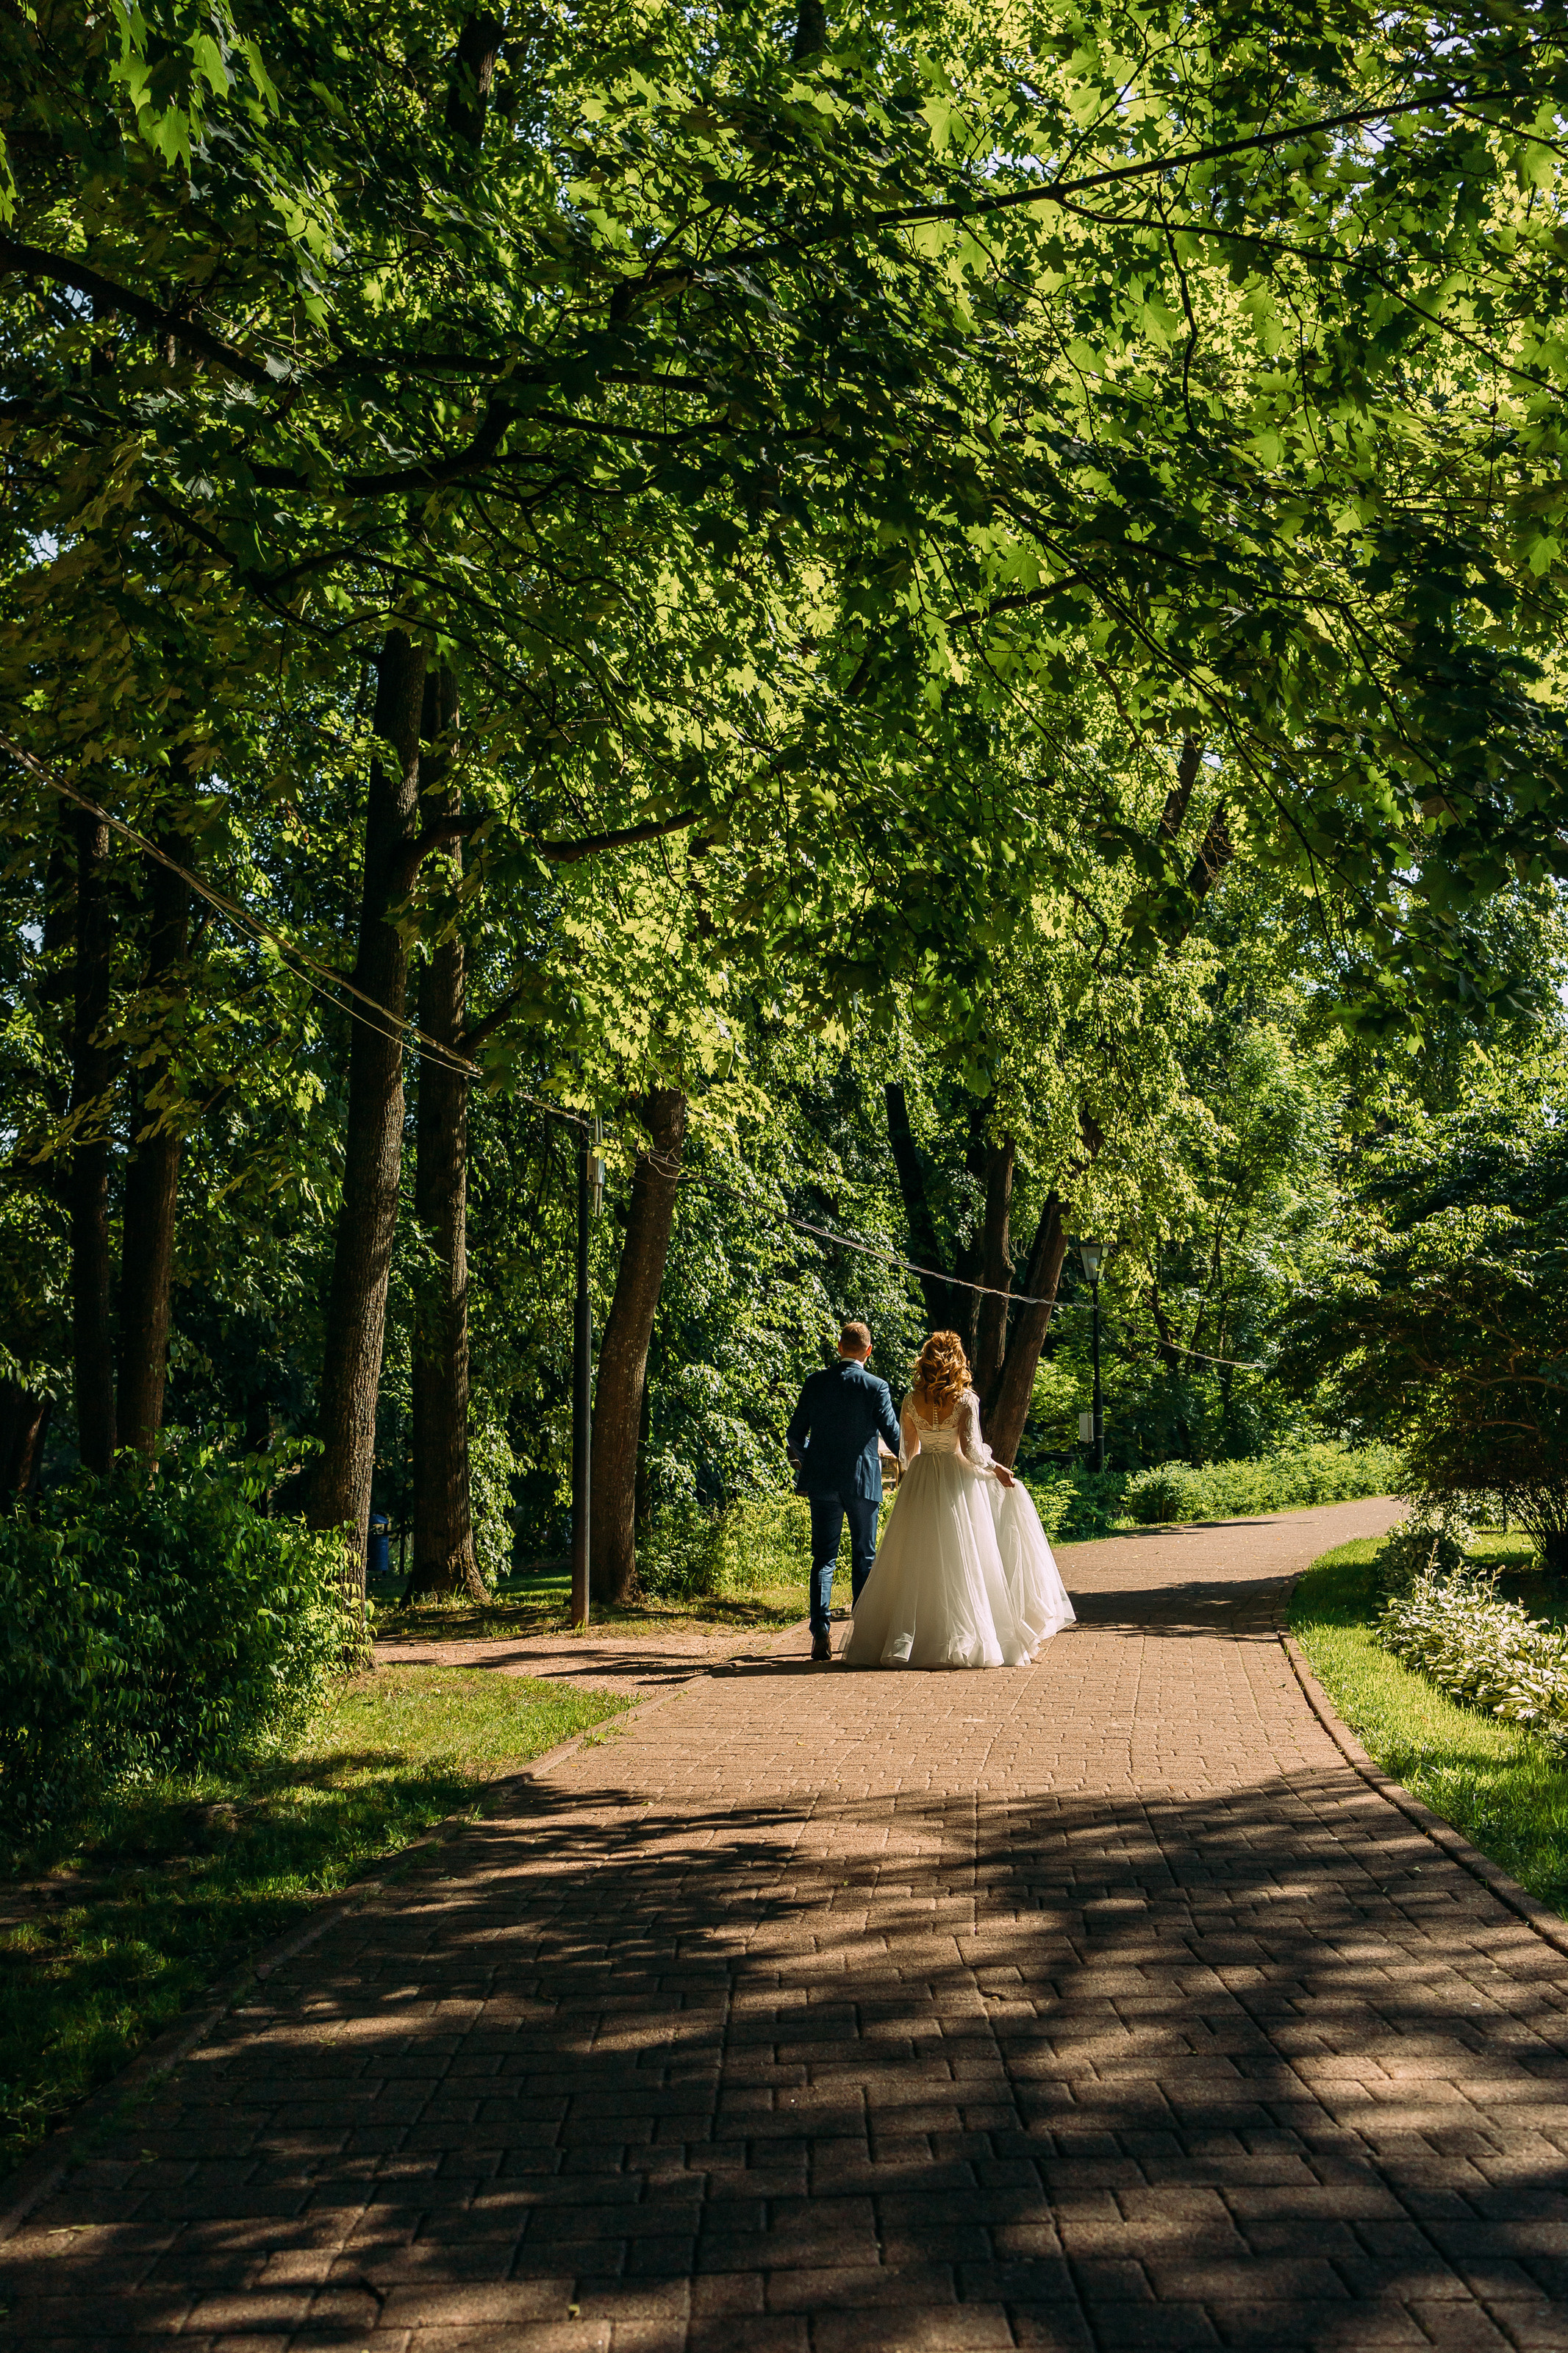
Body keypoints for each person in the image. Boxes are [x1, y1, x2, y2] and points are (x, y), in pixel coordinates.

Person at [842, 1328, 1075, 1669]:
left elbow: (908, 1453)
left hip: (921, 1480)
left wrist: (925, 1457)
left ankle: (909, 1638)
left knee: (917, 1558)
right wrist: (998, 1469)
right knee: (964, 1556)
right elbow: (971, 1451)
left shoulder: (910, 1400)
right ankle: (965, 1636)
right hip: (954, 1481)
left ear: (926, 1362)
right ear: (957, 1362)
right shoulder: (966, 1400)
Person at [787, 1321, 903, 1661]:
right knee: (864, 1557)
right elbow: (895, 1437)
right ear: (868, 1351)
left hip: (822, 1482)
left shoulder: (815, 1382)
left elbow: (794, 1434)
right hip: (862, 1482)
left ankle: (820, 1632)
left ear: (839, 1348)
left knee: (823, 1558)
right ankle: (861, 1635)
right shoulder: (876, 1386)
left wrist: (809, 1462)